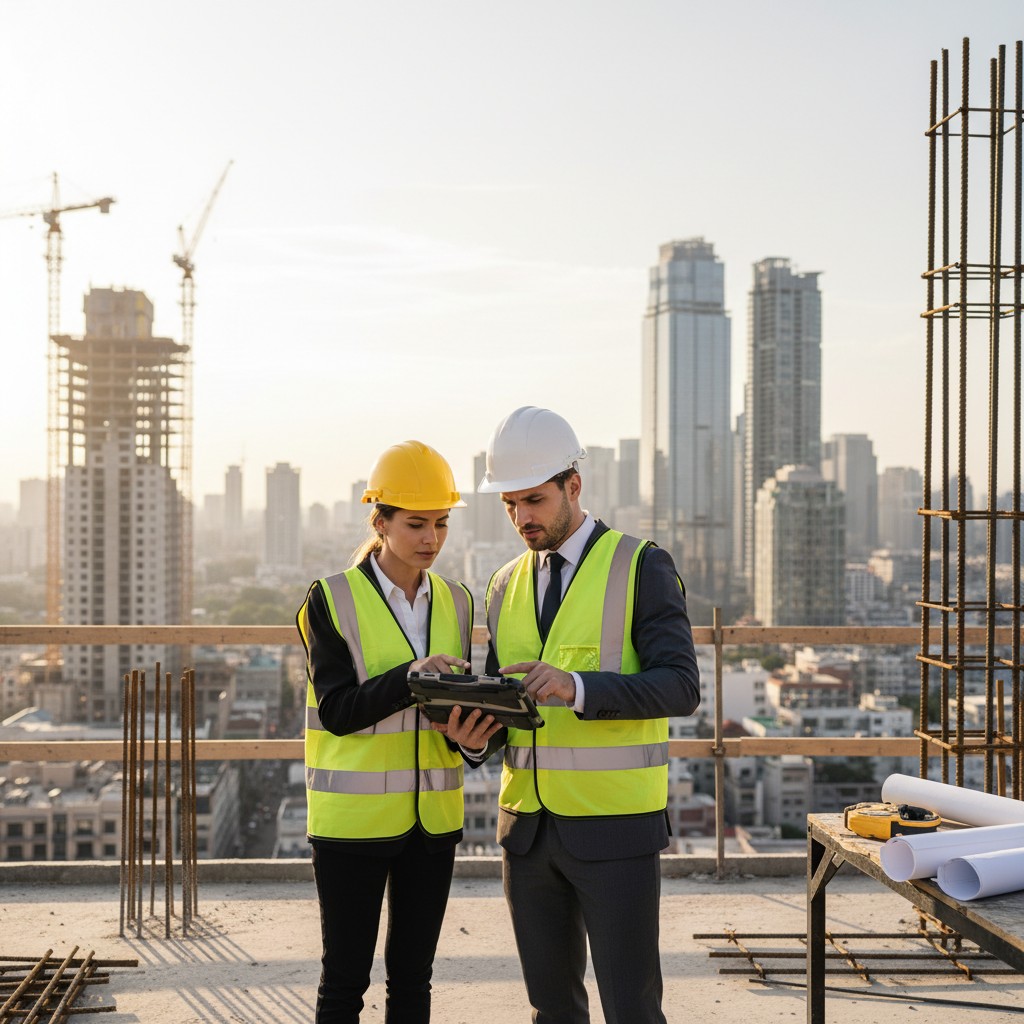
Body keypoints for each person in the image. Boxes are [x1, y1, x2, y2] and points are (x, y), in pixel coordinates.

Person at [448, 406, 700, 1024]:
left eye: (533, 500)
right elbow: (507, 703)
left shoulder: (642, 565)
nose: (521, 517)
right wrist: (473, 735)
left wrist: (577, 688)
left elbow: (680, 687)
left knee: (631, 1008)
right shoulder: (504, 583)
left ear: (573, 486)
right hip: (527, 833)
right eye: (509, 504)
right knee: (551, 1009)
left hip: (614, 827)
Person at [296, 440, 499, 1024]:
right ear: (380, 521)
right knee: (345, 982)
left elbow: (452, 711)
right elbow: (337, 710)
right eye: (415, 524)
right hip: (352, 825)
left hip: (433, 822)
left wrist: (474, 735)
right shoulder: (331, 598)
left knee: (414, 981)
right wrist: (409, 678)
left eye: (440, 523)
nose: (431, 538)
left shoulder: (458, 602)